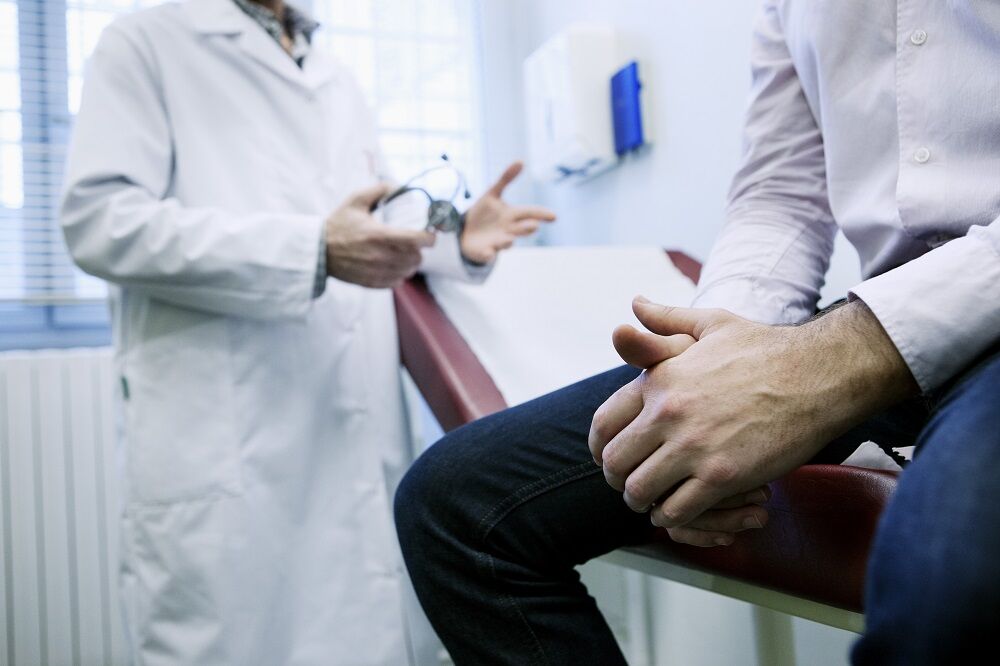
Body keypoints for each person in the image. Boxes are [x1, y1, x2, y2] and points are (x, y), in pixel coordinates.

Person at [394, 1, 1000, 664]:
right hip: (874, 314)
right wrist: (708, 367)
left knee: (955, 573)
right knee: (457, 507)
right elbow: (780, 194)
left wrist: (847, 352)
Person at [59, 0, 554, 663]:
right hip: (228, 440)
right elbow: (99, 221)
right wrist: (310, 249)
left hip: (350, 423)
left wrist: (456, 239)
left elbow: (368, 235)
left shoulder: (336, 75)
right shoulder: (145, 42)